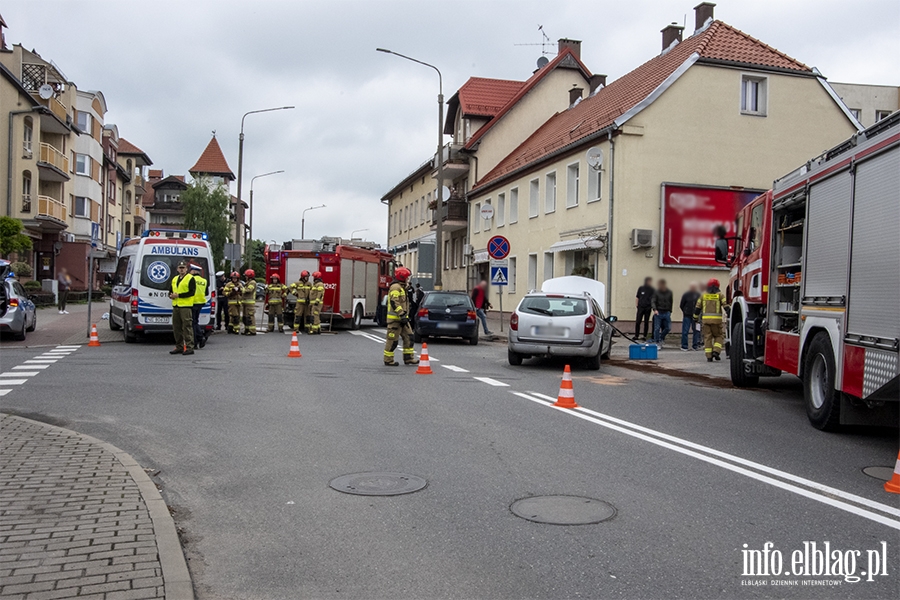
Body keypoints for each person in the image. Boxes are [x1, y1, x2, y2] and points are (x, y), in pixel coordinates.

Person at [383, 267, 418, 366]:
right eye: (407, 277)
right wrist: (402, 314)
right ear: (402, 277)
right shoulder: (395, 287)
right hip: (395, 320)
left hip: (402, 319)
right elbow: (395, 302)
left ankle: (408, 358)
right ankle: (388, 360)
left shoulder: (402, 287)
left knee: (409, 337)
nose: (408, 279)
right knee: (392, 341)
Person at [694, 278, 727, 362]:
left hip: (706, 321)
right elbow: (726, 306)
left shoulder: (703, 295)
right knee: (719, 336)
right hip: (717, 322)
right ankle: (716, 351)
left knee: (707, 338)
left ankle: (709, 356)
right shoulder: (720, 295)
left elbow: (697, 308)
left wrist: (695, 317)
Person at [168, 261, 196, 355]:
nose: (181, 269)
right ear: (177, 269)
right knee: (176, 328)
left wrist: (179, 295)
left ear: (186, 269)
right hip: (176, 306)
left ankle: (189, 347)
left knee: (187, 327)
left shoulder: (190, 278)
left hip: (186, 306)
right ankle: (179, 346)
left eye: (183, 268)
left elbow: (192, 292)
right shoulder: (175, 279)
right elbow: (171, 290)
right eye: (180, 268)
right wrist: (170, 295)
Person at [679, 282, 702, 351]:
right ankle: (684, 346)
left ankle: (695, 346)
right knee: (685, 331)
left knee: (696, 331)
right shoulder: (686, 295)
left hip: (696, 316)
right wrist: (685, 311)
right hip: (687, 315)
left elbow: (701, 305)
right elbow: (681, 305)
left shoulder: (698, 295)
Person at [651, 279, 673, 347]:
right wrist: (655, 309)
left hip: (666, 312)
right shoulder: (656, 292)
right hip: (658, 312)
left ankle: (661, 337)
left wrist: (670, 311)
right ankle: (657, 342)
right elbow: (653, 301)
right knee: (657, 328)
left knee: (668, 327)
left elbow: (671, 302)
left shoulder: (669, 292)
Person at [189, 264, 207, 348]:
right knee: (195, 321)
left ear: (194, 271)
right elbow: (206, 292)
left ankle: (198, 340)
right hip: (201, 302)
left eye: (191, 270)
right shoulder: (204, 280)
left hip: (192, 302)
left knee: (193, 322)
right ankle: (199, 339)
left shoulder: (191, 279)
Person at [240, 269, 257, 335]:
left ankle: (252, 331)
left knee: (250, 317)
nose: (245, 277)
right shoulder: (247, 282)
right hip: (245, 303)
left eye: (246, 276)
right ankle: (247, 329)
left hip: (250, 304)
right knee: (245, 317)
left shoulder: (252, 282)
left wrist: (241, 289)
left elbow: (249, 290)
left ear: (250, 276)